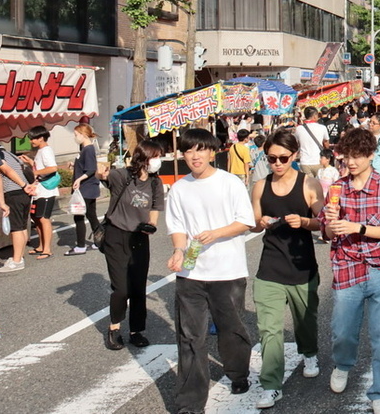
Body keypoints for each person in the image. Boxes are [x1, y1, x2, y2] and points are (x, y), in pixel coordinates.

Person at [166, 128, 256, 413]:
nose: (195, 156)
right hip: (191, 274)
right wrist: (179, 251)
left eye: (201, 149)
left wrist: (216, 233)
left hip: (227, 270)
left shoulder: (229, 183)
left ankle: (238, 372)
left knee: (231, 328)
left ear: (212, 151)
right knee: (191, 336)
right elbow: (177, 227)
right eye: (189, 150)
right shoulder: (180, 188)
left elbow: (246, 221)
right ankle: (190, 402)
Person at [321, 128, 380, 414]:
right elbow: (324, 228)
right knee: (342, 331)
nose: (352, 162)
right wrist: (331, 225)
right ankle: (343, 364)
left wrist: (358, 228)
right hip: (346, 266)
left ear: (372, 155)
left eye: (358, 155)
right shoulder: (338, 188)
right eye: (348, 156)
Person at [250, 129, 324, 409]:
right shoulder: (260, 186)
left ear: (295, 156)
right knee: (269, 330)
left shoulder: (309, 184)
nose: (277, 164)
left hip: (302, 265)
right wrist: (262, 222)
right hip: (269, 266)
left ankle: (309, 351)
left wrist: (304, 223)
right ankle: (271, 384)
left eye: (283, 158)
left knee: (305, 319)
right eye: (271, 158)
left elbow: (324, 221)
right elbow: (254, 222)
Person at [102, 140, 165, 350]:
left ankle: (136, 330)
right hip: (116, 235)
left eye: (160, 156)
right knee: (121, 289)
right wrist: (99, 171)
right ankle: (114, 328)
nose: (158, 161)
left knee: (138, 287)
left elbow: (156, 206)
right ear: (144, 157)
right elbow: (103, 176)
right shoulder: (122, 176)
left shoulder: (155, 182)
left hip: (139, 238)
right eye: (155, 156)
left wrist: (152, 224)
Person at [0, 142, 35, 273]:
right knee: (22, 226)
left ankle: (16, 261)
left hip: (13, 193)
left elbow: (6, 170)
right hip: (24, 195)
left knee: (16, 228)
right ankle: (19, 257)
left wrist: (23, 185)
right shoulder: (11, 155)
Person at [20, 125, 59, 260]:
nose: (31, 141)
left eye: (33, 139)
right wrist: (31, 162)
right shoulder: (41, 151)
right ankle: (42, 246)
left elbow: (53, 168)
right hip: (40, 190)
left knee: (43, 219)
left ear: (41, 138)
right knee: (37, 218)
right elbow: (43, 166)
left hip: (46, 191)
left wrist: (34, 172)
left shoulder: (46, 150)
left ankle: (47, 249)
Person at [65, 123, 102, 256]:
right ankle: (100, 241)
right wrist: (75, 165)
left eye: (76, 135)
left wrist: (79, 179)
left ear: (83, 134)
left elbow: (91, 169)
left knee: (79, 216)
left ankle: (80, 246)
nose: (75, 138)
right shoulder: (85, 148)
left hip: (85, 188)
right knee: (91, 215)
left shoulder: (88, 149)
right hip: (88, 188)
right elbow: (87, 166)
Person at [295, 107, 330, 177]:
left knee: (308, 185)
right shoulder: (322, 128)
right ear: (315, 116)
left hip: (304, 162)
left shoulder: (298, 129)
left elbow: (296, 144)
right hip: (319, 161)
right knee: (320, 185)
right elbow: (326, 143)